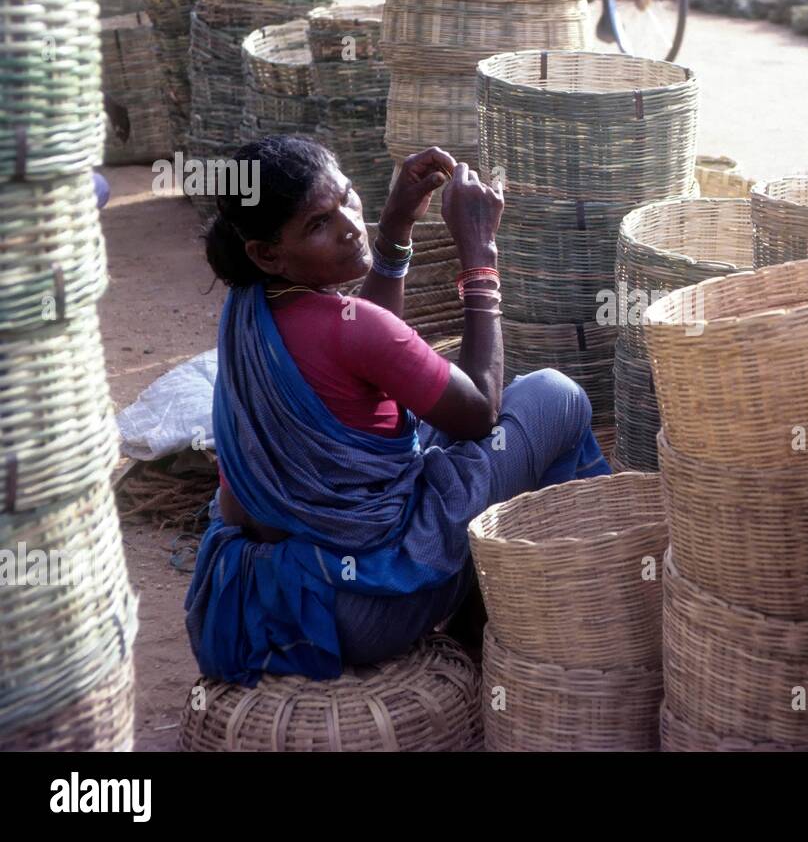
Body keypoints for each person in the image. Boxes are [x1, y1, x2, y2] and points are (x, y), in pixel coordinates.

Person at [185, 136, 610, 685]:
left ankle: (498, 608)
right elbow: (479, 411)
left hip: (283, 585)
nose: (349, 226)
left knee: (458, 407)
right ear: (267, 253)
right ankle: (542, 613)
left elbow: (363, 348)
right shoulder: (354, 330)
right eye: (319, 224)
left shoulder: (248, 310)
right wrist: (480, 258)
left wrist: (395, 226)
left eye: (349, 200)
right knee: (554, 397)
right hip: (367, 605)